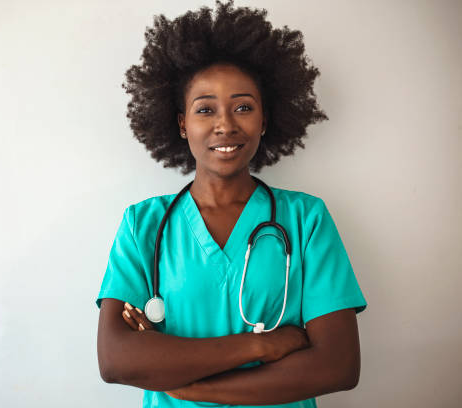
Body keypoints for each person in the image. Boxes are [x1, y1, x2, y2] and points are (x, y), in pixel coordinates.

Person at [95, 1, 367, 407]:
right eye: (205, 109)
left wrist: (189, 385)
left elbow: (338, 366)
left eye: (243, 107)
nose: (225, 124)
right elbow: (115, 360)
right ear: (182, 123)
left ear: (265, 120)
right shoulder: (142, 225)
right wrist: (261, 346)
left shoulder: (306, 220)